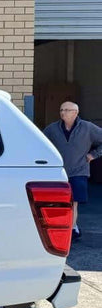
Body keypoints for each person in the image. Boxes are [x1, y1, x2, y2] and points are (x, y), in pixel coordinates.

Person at [43, 101, 102, 239]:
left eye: (67, 110)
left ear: (76, 112)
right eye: (61, 109)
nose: (63, 112)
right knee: (58, 203)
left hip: (79, 171)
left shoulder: (87, 128)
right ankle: (64, 228)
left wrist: (93, 155)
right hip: (58, 172)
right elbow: (41, 143)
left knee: (73, 202)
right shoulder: (52, 129)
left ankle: (70, 231)